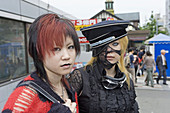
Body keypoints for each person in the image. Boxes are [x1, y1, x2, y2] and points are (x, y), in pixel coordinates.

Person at [2, 13, 80, 113]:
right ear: (38, 52)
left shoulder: (67, 86)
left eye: (70, 47)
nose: (66, 56)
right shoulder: (24, 97)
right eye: (56, 49)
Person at [68, 20, 139, 113]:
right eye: (104, 45)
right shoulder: (80, 77)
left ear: (123, 47)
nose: (109, 50)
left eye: (115, 44)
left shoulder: (126, 80)